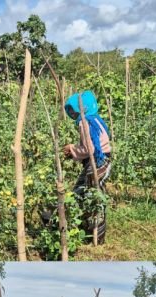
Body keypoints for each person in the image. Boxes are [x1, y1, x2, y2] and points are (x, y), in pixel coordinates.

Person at [63, 91, 113, 243]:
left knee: (90, 196)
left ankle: (95, 236)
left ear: (82, 108)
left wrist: (71, 148)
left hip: (98, 162)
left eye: (74, 110)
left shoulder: (84, 122)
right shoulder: (95, 119)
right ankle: (89, 232)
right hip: (102, 160)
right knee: (87, 194)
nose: (72, 113)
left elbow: (89, 149)